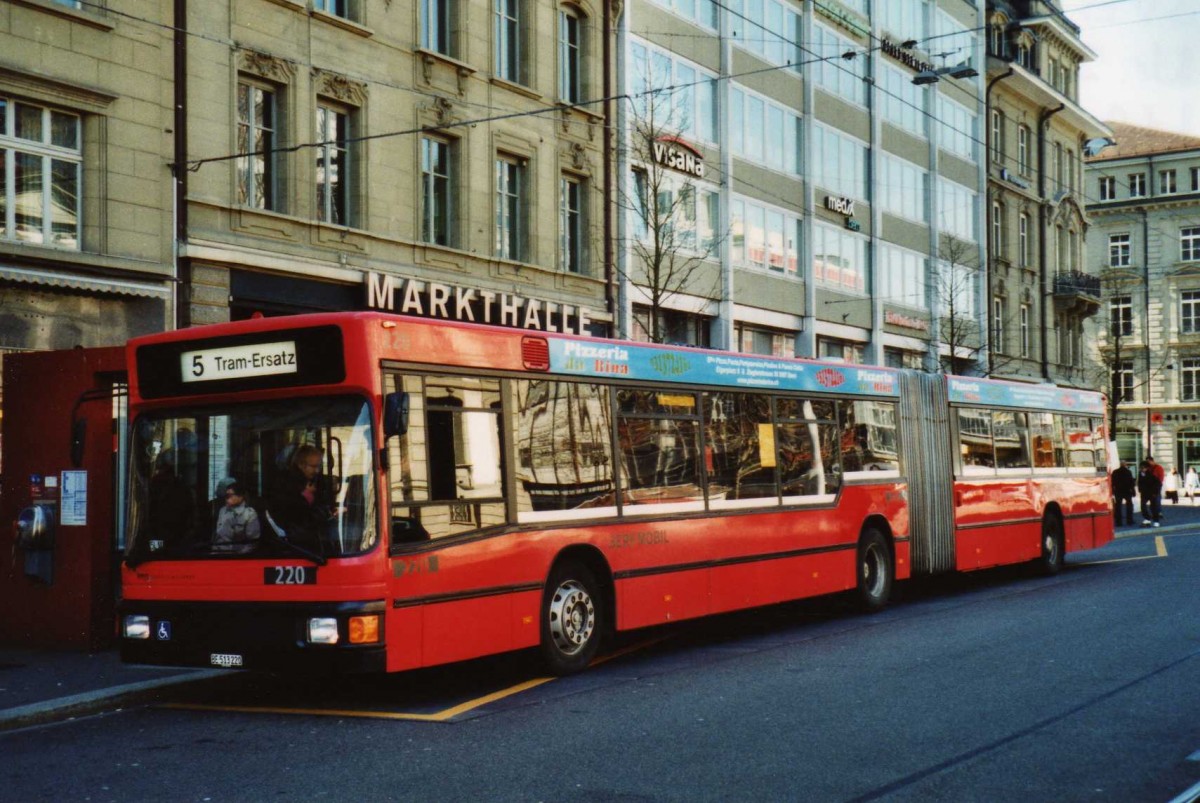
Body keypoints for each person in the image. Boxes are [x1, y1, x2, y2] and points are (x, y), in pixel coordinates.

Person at [267, 444, 337, 551]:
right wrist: (306, 497)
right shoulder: (287, 483)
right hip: (296, 542)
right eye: (313, 467)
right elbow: (290, 512)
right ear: (300, 465)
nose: (317, 470)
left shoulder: (314, 480)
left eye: (319, 466)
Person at [213, 480, 261, 553]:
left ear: (240, 496)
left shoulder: (249, 514)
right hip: (217, 553)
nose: (226, 498)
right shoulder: (222, 510)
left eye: (229, 496)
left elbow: (252, 542)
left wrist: (239, 555)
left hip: (235, 556)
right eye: (226, 496)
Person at [1137, 459, 1162, 527]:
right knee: (1143, 506)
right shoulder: (1141, 474)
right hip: (1144, 493)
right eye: (1141, 468)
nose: (1141, 469)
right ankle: (1147, 519)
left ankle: (1156, 521)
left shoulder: (1151, 475)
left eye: (1143, 468)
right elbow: (1139, 483)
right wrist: (1140, 490)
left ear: (1146, 468)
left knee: (1153, 507)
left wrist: (1155, 493)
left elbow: (1157, 483)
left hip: (1152, 493)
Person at [1111, 461, 1135, 527]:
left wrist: (1113, 490)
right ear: (1125, 465)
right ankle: (1129, 520)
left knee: (1118, 506)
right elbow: (1131, 482)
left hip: (1118, 491)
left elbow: (1112, 482)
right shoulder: (1128, 472)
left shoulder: (1115, 472)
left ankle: (1119, 522)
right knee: (1129, 506)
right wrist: (1133, 491)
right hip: (1127, 491)